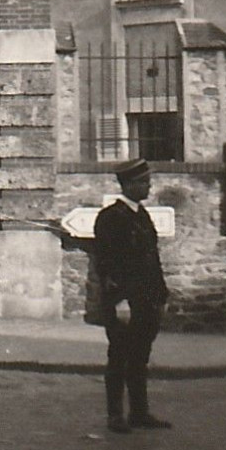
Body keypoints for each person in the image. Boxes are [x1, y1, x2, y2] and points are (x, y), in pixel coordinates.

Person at [94, 157, 172, 434]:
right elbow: (106, 264)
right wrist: (118, 301)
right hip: (125, 302)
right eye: (143, 183)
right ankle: (115, 415)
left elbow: (152, 259)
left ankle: (139, 412)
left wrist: (161, 295)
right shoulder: (110, 218)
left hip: (147, 299)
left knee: (140, 357)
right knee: (119, 357)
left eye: (148, 182)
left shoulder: (141, 215)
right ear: (128, 185)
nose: (148, 187)